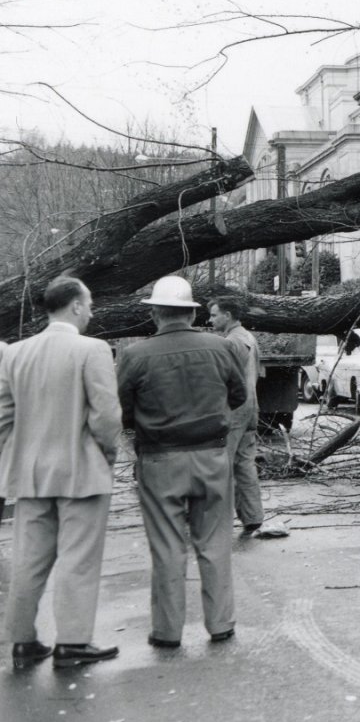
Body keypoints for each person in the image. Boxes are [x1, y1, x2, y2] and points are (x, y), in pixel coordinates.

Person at [117, 275, 247, 648]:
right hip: (211, 455)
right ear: (191, 313)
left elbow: (123, 411)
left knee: (167, 546)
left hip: (160, 460)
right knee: (215, 542)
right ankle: (220, 623)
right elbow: (238, 397)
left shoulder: (134, 355)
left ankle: (167, 631)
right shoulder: (222, 348)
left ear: (155, 313)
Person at [0, 275, 121, 670]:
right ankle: (72, 643)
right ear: (74, 305)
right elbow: (105, 417)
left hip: (31, 474)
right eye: (89, 304)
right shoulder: (93, 349)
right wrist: (107, 454)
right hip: (82, 470)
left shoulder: (15, 353)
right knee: (78, 559)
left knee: (28, 560)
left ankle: (22, 640)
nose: (91, 311)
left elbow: (4, 415)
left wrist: (18, 454)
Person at [207, 295, 287, 540]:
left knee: (221, 465)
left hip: (232, 410)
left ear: (228, 316)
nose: (210, 320)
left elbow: (223, 380)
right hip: (250, 407)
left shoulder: (231, 342)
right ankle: (253, 517)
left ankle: (214, 521)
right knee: (244, 464)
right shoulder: (249, 338)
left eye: (213, 315)